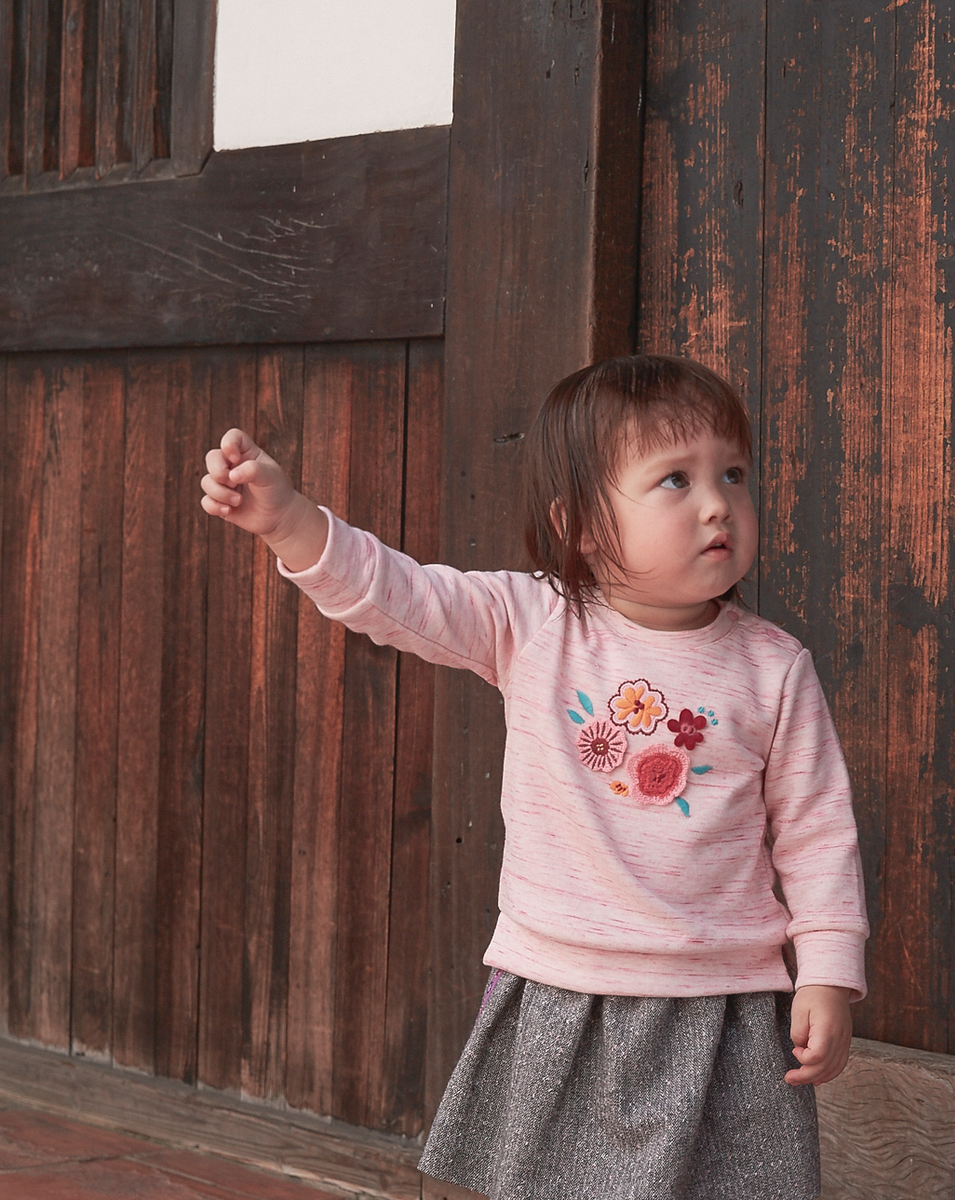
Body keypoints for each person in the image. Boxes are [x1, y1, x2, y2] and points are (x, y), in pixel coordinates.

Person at [201, 354, 869, 1200]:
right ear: (583, 526)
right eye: (674, 480)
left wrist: (826, 973)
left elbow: (818, 830)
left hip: (724, 1000)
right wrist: (290, 520)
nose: (716, 504)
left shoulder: (773, 669)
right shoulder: (536, 623)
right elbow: (395, 595)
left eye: (732, 474)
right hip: (564, 988)